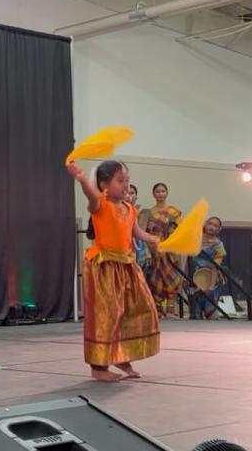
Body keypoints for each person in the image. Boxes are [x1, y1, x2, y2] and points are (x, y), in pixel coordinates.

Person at [66, 160, 161, 382]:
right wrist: (82, 179)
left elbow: (136, 233)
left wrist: (153, 240)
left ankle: (121, 354)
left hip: (127, 266)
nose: (126, 185)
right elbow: (90, 195)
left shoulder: (130, 209)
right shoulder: (100, 204)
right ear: (104, 185)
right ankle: (98, 366)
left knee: (138, 309)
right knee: (106, 315)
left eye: (127, 180)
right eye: (120, 181)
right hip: (104, 266)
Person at [139, 183, 184, 319]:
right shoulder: (148, 212)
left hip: (170, 250)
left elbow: (180, 229)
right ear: (153, 194)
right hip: (155, 249)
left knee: (173, 279)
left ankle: (171, 310)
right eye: (157, 191)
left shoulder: (173, 212)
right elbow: (143, 232)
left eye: (163, 191)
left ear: (167, 193)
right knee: (155, 279)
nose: (160, 194)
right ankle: (157, 311)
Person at [191, 217, 225, 320]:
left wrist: (210, 286)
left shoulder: (218, 245)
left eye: (215, 226)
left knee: (210, 311)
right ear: (205, 225)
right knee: (195, 312)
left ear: (219, 229)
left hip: (210, 278)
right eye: (210, 224)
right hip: (193, 276)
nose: (211, 227)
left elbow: (216, 266)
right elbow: (189, 260)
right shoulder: (196, 239)